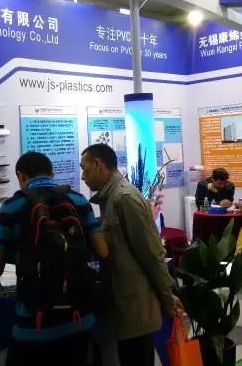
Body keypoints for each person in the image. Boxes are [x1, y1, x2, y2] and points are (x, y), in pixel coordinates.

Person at [0, 151, 109, 366]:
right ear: (52, 173)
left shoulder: (11, 207)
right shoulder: (78, 200)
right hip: (79, 319)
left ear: (21, 175)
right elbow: (103, 251)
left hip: (33, 327)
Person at [80, 143, 180, 366]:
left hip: (135, 306)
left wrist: (167, 295)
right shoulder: (111, 198)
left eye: (84, 168)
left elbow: (151, 253)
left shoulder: (125, 198)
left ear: (97, 164)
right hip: (123, 303)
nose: (83, 176)